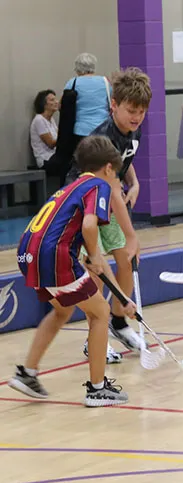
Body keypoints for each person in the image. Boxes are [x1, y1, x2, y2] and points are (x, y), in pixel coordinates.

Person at [8, 136, 137, 407]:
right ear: (110, 169)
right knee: (101, 313)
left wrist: (123, 300)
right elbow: (90, 227)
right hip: (54, 254)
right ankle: (97, 388)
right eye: (117, 177)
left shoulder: (71, 188)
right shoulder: (98, 185)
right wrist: (93, 254)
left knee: (63, 310)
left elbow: (94, 261)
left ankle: (27, 373)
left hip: (27, 252)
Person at [69, 67, 150, 360]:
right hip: (83, 207)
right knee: (97, 273)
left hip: (107, 201)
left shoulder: (132, 129)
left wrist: (135, 181)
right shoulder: (104, 136)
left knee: (126, 260)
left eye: (141, 111)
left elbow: (123, 162)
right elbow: (112, 188)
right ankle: (95, 339)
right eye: (131, 110)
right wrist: (132, 235)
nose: (136, 117)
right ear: (114, 105)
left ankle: (118, 323)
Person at [64, 53, 112, 142]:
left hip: (80, 130)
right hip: (103, 127)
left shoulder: (72, 83)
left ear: (77, 67)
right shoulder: (105, 82)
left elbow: (62, 105)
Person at [30, 90, 61, 176]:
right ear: (44, 104)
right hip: (45, 160)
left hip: (54, 156)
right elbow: (51, 143)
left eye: (55, 99)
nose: (56, 102)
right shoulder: (39, 120)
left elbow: (59, 136)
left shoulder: (51, 120)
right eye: (52, 100)